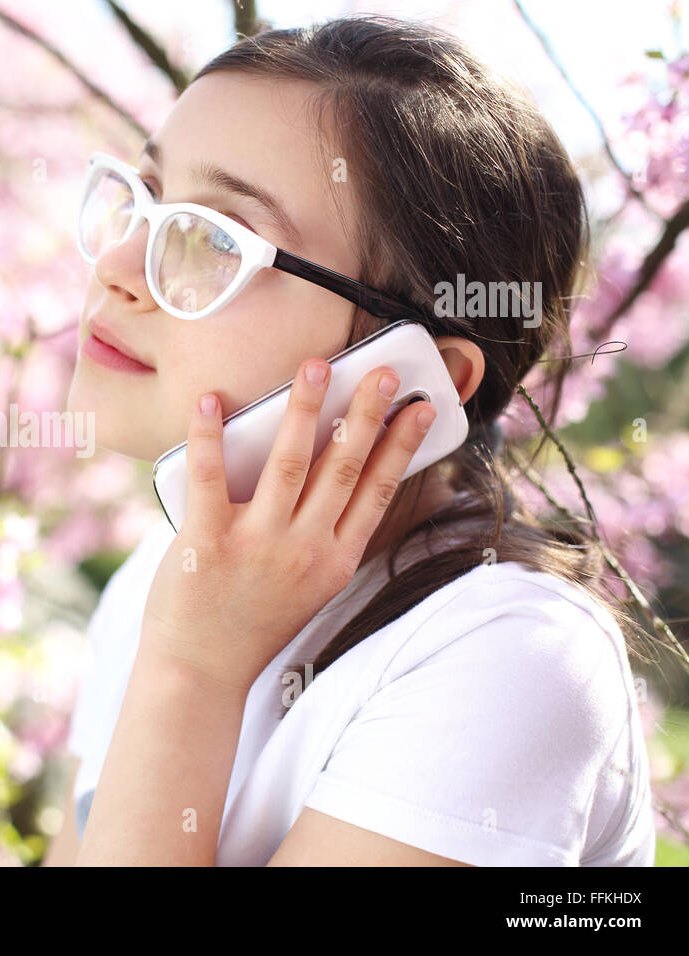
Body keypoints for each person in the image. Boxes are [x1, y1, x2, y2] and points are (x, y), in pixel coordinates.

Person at [45, 16, 656, 866]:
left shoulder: (515, 657)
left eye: (215, 239)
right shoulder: (163, 576)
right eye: (141, 200)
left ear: (409, 376)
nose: (116, 264)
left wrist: (193, 672)